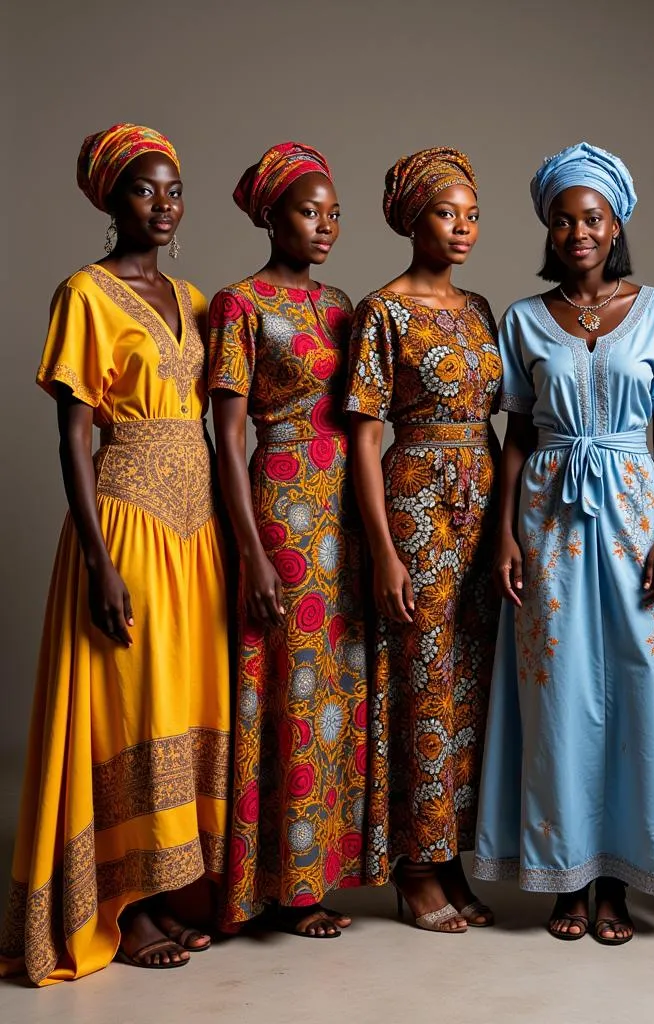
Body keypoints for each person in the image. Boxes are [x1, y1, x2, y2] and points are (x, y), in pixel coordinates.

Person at [0, 124, 230, 982]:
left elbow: (215, 419)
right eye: (145, 190)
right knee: (124, 706)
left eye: (173, 189)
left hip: (197, 527)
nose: (164, 205)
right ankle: (116, 908)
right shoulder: (84, 294)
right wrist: (98, 560)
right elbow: (70, 438)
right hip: (124, 519)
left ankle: (171, 890)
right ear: (109, 200)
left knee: (182, 702)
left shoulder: (200, 299)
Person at [473, 142, 654, 945]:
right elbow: (518, 433)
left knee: (638, 690)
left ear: (617, 224)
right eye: (563, 220)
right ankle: (567, 879)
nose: (578, 233)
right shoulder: (525, 319)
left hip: (636, 514)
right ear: (548, 228)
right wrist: (503, 533)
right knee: (559, 696)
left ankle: (618, 883)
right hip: (549, 521)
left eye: (592, 218)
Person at [208, 142, 370, 938]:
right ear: (272, 215)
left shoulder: (343, 305)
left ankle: (313, 874)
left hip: (346, 508)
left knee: (333, 692)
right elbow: (226, 439)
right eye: (310, 211)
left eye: (333, 213)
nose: (325, 225)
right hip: (284, 508)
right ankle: (273, 886)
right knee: (286, 689)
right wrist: (253, 551)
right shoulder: (238, 305)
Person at [345, 147, 501, 933]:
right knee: (422, 683)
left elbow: (499, 422)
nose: (464, 228)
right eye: (448, 212)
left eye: (473, 215)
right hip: (417, 502)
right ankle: (414, 865)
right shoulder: (383, 310)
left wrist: (506, 522)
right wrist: (382, 549)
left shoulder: (479, 310)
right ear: (413, 218)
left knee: (471, 681)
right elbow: (364, 437)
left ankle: (453, 857)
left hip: (481, 501)